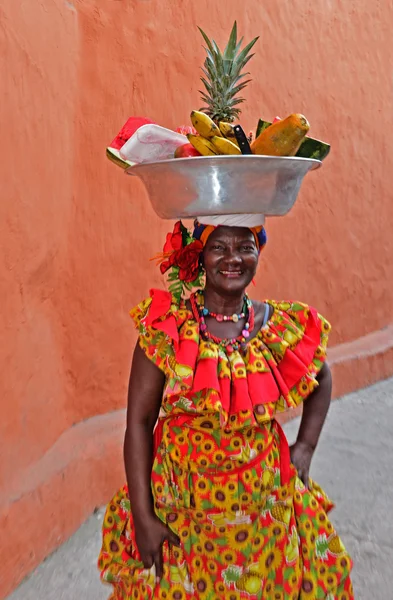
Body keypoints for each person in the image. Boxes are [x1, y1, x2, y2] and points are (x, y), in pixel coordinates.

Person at [98, 217, 354, 600]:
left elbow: (321, 377)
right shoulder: (169, 328)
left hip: (263, 513)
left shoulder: (275, 325)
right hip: (183, 512)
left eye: (245, 247)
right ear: (198, 256)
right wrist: (143, 515)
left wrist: (305, 448)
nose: (233, 258)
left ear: (258, 254)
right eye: (219, 247)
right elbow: (138, 422)